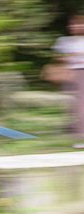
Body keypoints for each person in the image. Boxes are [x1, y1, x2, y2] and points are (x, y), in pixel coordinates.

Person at [53, 15, 84, 148]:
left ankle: (80, 134)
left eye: (79, 24)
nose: (76, 26)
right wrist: (69, 57)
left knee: (80, 105)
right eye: (73, 24)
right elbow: (57, 57)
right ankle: (75, 131)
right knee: (74, 104)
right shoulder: (64, 41)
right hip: (71, 73)